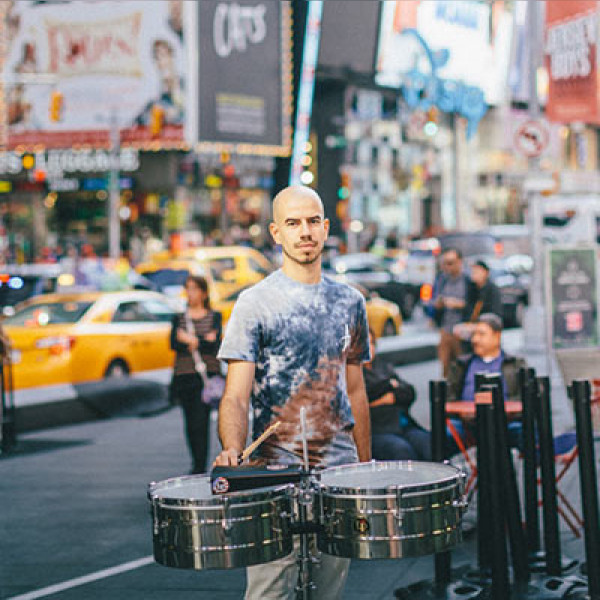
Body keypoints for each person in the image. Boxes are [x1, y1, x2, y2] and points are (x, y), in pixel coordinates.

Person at [214, 185, 371, 600]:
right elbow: (235, 396)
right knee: (269, 591)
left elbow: (355, 391)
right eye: (293, 223)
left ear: (325, 228)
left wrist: (366, 468)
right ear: (276, 232)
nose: (305, 231)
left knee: (328, 593)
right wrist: (233, 448)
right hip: (273, 476)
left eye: (312, 221)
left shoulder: (351, 302)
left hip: (337, 475)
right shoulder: (255, 303)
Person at [446, 313, 527, 449]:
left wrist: (507, 413)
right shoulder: (461, 365)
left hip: (506, 423)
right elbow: (449, 396)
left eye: (482, 334)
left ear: (497, 336)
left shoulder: (515, 364)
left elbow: (525, 398)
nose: (475, 340)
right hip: (467, 424)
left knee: (525, 432)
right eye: (474, 335)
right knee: (446, 433)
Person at [170, 275, 222, 475]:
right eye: (188, 289)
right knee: (189, 422)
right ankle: (195, 461)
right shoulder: (179, 317)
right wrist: (202, 339)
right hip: (184, 376)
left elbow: (215, 344)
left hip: (206, 378)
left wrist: (192, 340)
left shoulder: (214, 316)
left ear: (204, 292)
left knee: (201, 421)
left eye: (194, 289)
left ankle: (200, 464)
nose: (190, 293)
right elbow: (173, 344)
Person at [365, 328, 431, 461]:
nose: (369, 348)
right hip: (377, 430)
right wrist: (389, 385)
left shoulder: (383, 366)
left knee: (427, 442)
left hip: (402, 425)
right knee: (401, 450)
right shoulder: (353, 374)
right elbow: (368, 394)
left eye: (371, 343)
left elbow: (409, 393)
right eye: (364, 344)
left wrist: (389, 397)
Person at [425, 248, 476, 377]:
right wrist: (436, 307)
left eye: (451, 262)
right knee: (446, 367)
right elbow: (433, 300)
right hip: (445, 329)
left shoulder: (468, 281)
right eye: (445, 263)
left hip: (463, 330)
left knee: (463, 365)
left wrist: (459, 304)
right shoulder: (442, 279)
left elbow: (474, 304)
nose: (447, 267)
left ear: (459, 262)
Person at [453, 259, 502, 346]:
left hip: (486, 330)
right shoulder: (472, 289)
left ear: (486, 273)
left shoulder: (492, 290)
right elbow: (468, 310)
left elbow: (495, 315)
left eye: (477, 271)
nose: (474, 274)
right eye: (473, 271)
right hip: (471, 331)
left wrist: (475, 326)